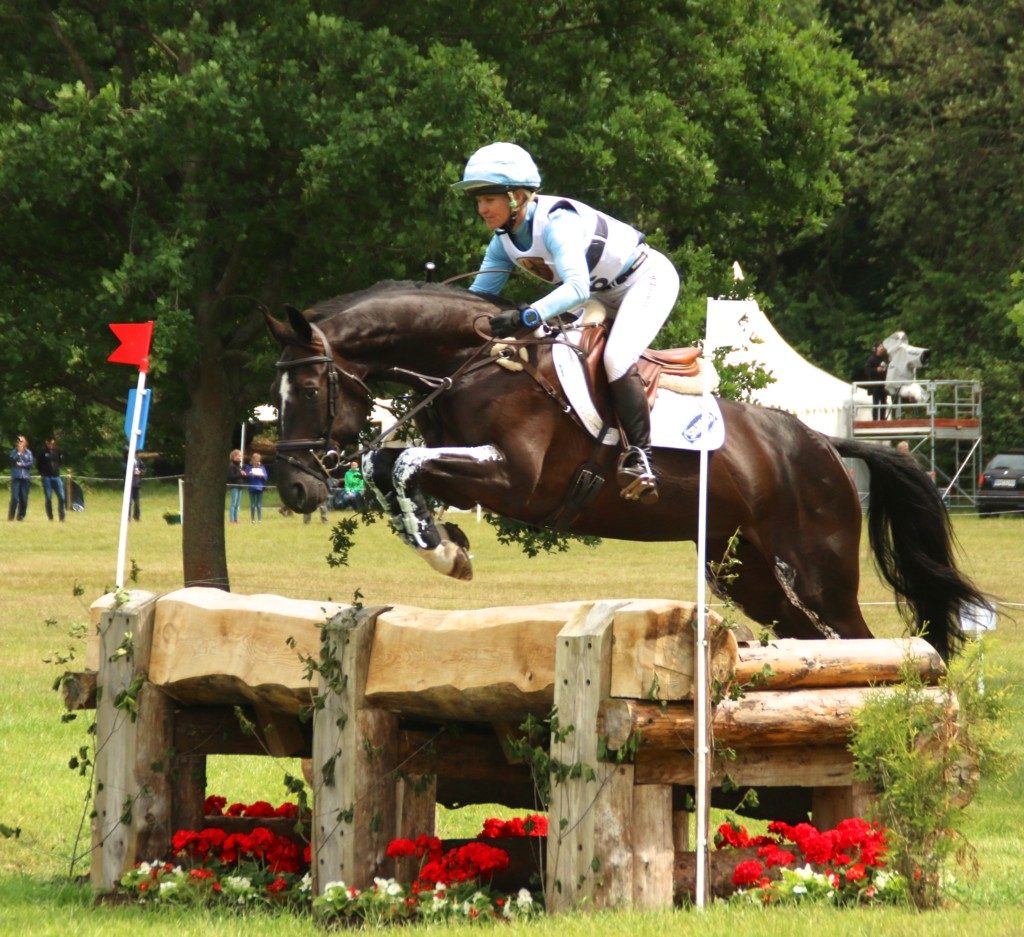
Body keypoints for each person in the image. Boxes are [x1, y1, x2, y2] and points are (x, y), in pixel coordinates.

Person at [454, 142, 679, 505]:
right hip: (599, 297)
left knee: (616, 358)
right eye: (477, 201)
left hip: (644, 281)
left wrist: (527, 315)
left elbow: (576, 287)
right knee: (555, 354)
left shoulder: (557, 222)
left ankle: (641, 457)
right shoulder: (503, 242)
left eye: (488, 199)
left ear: (515, 197)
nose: (481, 209)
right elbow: (477, 298)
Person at [38, 437, 66, 522]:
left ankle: (62, 517)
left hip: (56, 477)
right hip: (47, 478)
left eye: (52, 444)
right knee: (49, 498)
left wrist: (56, 469)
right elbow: (38, 464)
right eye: (49, 444)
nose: (51, 445)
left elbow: (61, 461)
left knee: (61, 497)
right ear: (46, 443)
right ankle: (50, 517)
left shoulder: (58, 450)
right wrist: (43, 474)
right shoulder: (42, 452)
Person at [7, 435, 33, 521]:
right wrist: (18, 452)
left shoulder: (28, 452)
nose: (20, 443)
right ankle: (11, 516)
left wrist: (22, 464)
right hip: (16, 477)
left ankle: (21, 516)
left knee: (24, 498)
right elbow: (12, 460)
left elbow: (30, 463)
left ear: (25, 442)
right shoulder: (14, 452)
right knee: (15, 498)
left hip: (25, 478)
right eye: (18, 441)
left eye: (21, 441)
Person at [864, 342, 888, 421]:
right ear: (876, 348)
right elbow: (867, 370)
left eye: (882, 347)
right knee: (876, 403)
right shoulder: (871, 359)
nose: (882, 348)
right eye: (880, 346)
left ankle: (882, 419)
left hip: (883, 384)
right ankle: (875, 420)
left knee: (884, 402)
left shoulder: (885, 358)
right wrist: (876, 370)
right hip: (875, 385)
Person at [243, 452, 268, 522]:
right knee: (253, 504)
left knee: (259, 504)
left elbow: (266, 477)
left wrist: (262, 476)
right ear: (252, 460)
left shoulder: (262, 467)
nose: (257, 462)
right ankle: (252, 519)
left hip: (259, 487)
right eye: (255, 460)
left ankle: (259, 519)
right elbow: (246, 477)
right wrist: (249, 474)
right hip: (251, 487)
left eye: (258, 460)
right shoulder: (248, 467)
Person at [124, 450, 144, 520]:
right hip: (129, 484)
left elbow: (143, 468)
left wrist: (140, 472)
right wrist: (133, 472)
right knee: (129, 502)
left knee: (137, 502)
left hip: (137, 484)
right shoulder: (126, 461)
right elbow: (125, 470)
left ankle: (137, 516)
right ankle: (127, 517)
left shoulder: (138, 460)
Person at [227, 449, 244, 524]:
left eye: (241, 456)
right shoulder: (231, 465)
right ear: (234, 456)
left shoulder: (239, 466)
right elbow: (231, 477)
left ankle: (236, 519)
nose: (240, 457)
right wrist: (240, 474)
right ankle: (232, 520)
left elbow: (239, 476)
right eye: (239, 455)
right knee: (233, 504)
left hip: (240, 486)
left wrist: (244, 474)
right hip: (234, 486)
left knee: (237, 504)